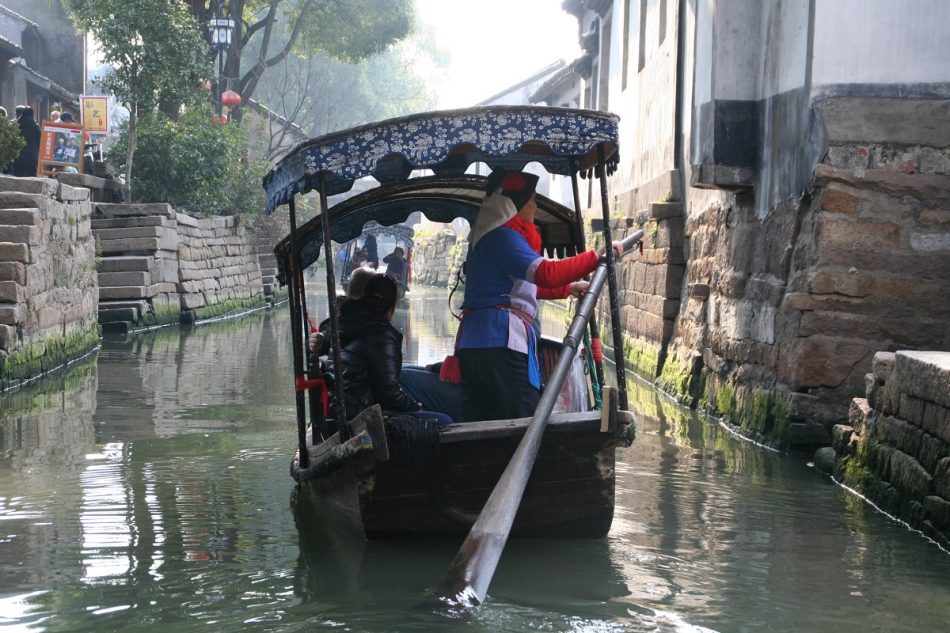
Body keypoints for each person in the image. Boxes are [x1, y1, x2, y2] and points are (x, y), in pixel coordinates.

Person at [455, 169, 623, 422]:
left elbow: (526, 286)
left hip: (479, 341)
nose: (534, 205)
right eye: (531, 199)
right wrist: (595, 258)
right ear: (516, 204)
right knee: (521, 414)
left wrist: (567, 289)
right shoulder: (502, 237)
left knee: (488, 414)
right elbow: (546, 273)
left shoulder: (493, 237)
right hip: (499, 341)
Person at [313, 273, 452, 425]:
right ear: (391, 310)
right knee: (445, 421)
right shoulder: (382, 335)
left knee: (408, 374)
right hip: (362, 418)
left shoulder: (342, 323)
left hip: (343, 412)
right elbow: (389, 396)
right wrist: (416, 407)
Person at [10, 106, 40, 177]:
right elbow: (40, 141)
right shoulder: (35, 126)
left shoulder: (16, 125)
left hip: (18, 156)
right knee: (31, 179)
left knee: (18, 178)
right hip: (32, 158)